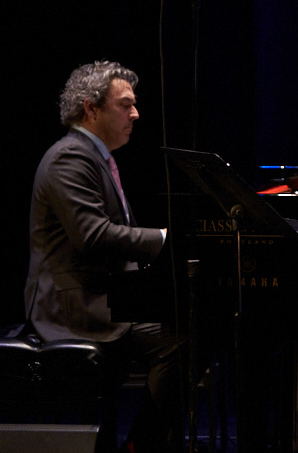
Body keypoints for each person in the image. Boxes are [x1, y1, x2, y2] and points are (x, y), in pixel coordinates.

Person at [24, 61, 182, 453]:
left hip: (104, 293)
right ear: (90, 109)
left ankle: (147, 441)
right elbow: (93, 236)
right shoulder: (69, 157)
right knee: (180, 339)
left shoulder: (94, 156)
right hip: (76, 304)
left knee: (191, 320)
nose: (136, 114)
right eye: (125, 105)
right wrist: (165, 239)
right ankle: (143, 445)